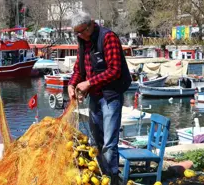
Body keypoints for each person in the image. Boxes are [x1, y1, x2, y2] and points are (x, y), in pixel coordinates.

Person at [68, 11, 132, 185]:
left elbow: (114, 70)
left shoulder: (107, 37)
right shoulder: (83, 41)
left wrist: (88, 83)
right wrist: (71, 85)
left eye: (81, 32)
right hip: (96, 96)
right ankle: (101, 174)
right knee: (96, 140)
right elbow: (78, 70)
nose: (79, 36)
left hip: (111, 95)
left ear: (90, 25)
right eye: (77, 33)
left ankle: (112, 179)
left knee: (109, 143)